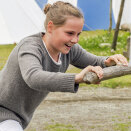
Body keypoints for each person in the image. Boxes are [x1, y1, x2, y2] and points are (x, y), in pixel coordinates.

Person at [0, 1, 128, 131]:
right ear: (50, 27)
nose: (75, 40)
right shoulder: (30, 47)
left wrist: (108, 61)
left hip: (16, 117)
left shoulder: (69, 50)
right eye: (70, 33)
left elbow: (94, 61)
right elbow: (33, 77)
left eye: (78, 34)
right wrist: (76, 78)